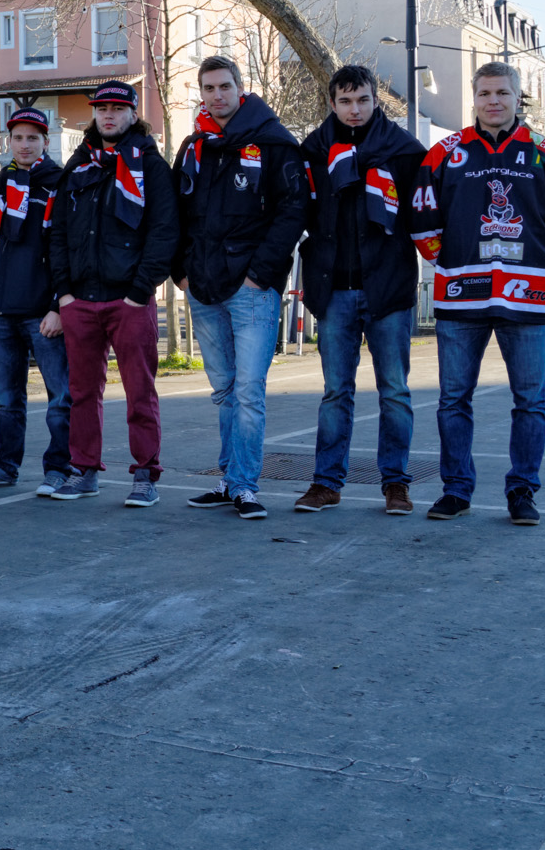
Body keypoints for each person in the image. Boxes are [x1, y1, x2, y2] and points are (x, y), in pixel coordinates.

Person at [412, 61, 545, 525]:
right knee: (452, 399)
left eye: (502, 93)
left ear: (516, 97)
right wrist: (450, 263)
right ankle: (456, 489)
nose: (493, 101)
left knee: (531, 401)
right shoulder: (444, 153)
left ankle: (522, 492)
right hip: (461, 298)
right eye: (485, 93)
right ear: (474, 97)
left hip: (526, 301)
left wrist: (536, 269)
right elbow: (423, 222)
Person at [173, 56, 307, 520]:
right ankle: (230, 480)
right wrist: (181, 272)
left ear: (241, 88)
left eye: (225, 86)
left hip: (252, 289)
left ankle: (246, 486)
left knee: (249, 390)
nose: (217, 95)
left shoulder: (274, 143)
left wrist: (259, 274)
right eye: (208, 88)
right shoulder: (193, 146)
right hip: (203, 287)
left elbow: (293, 212)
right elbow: (175, 215)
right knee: (224, 391)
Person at [294, 64, 427, 516]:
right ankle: (326, 483)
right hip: (334, 291)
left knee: (394, 392)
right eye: (346, 101)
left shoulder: (405, 152)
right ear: (332, 103)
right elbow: (298, 215)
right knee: (336, 392)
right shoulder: (312, 151)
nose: (355, 109)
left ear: (376, 101)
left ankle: (396, 485)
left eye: (363, 100)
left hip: (388, 290)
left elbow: (424, 219)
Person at [47, 80, 178, 505]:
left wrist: (140, 293)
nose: (108, 115)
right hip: (80, 301)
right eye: (101, 108)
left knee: (140, 392)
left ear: (132, 113)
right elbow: (59, 234)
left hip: (129, 301)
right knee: (83, 393)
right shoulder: (79, 164)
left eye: (117, 109)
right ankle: (84, 470)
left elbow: (164, 233)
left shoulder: (151, 165)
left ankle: (145, 475)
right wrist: (64, 294)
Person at [0, 106, 71, 495]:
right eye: (18, 138)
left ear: (45, 141)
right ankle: (4, 467)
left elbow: (67, 252)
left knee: (61, 398)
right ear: (9, 142)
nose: (24, 145)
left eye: (33, 138)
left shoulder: (60, 184)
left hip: (43, 315)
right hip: (0, 315)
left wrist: (58, 306)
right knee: (8, 402)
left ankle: (59, 470)